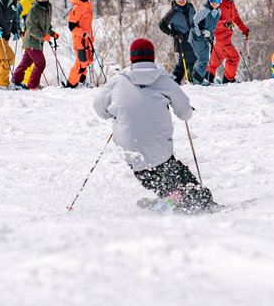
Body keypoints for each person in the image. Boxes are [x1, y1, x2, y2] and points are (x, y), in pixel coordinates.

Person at [92, 38, 215, 212]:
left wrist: (117, 112)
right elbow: (184, 114)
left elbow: (100, 109)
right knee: (192, 190)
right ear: (152, 57)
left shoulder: (117, 82)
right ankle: (184, 205)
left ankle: (169, 200)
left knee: (159, 180)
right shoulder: (164, 81)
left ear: (131, 58)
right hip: (162, 154)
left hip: (132, 156)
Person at [11, 0, 57, 90]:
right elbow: (31, 27)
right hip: (32, 40)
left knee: (26, 63)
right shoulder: (34, 9)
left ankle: (15, 82)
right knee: (40, 63)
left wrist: (52, 33)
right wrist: (43, 36)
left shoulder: (48, 8)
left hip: (38, 41)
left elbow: (46, 25)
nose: (43, 0)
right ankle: (32, 86)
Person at [206, 0, 250, 83]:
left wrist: (245, 30)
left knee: (215, 60)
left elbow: (236, 19)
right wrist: (225, 23)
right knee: (234, 57)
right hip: (220, 37)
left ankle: (207, 78)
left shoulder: (231, 4)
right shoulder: (218, 4)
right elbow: (213, 23)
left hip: (226, 37)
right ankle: (228, 80)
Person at [158, 0, 199, 85]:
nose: (182, 0)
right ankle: (191, 82)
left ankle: (173, 83)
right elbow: (162, 24)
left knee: (182, 63)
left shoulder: (190, 7)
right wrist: (173, 33)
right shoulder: (173, 12)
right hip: (182, 40)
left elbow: (195, 19)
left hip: (193, 38)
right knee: (192, 61)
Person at [66, 0, 96, 88]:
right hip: (79, 39)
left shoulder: (89, 4)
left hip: (88, 38)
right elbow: (72, 27)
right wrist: (83, 33)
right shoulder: (76, 8)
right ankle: (71, 84)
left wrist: (90, 36)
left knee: (87, 61)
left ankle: (82, 81)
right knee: (81, 62)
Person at [16, 0, 43, 87]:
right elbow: (15, 16)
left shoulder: (41, 1)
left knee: (28, 60)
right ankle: (28, 83)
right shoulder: (24, 2)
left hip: (39, 36)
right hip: (28, 35)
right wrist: (18, 29)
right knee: (35, 60)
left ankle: (22, 81)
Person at [191, 0, 222, 86]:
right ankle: (197, 79)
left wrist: (212, 37)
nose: (214, 3)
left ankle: (195, 77)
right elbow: (193, 23)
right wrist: (200, 33)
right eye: (212, 0)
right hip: (197, 37)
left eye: (217, 1)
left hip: (206, 38)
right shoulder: (205, 10)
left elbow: (213, 26)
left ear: (220, 2)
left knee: (204, 58)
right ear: (209, 0)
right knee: (203, 58)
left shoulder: (218, 12)